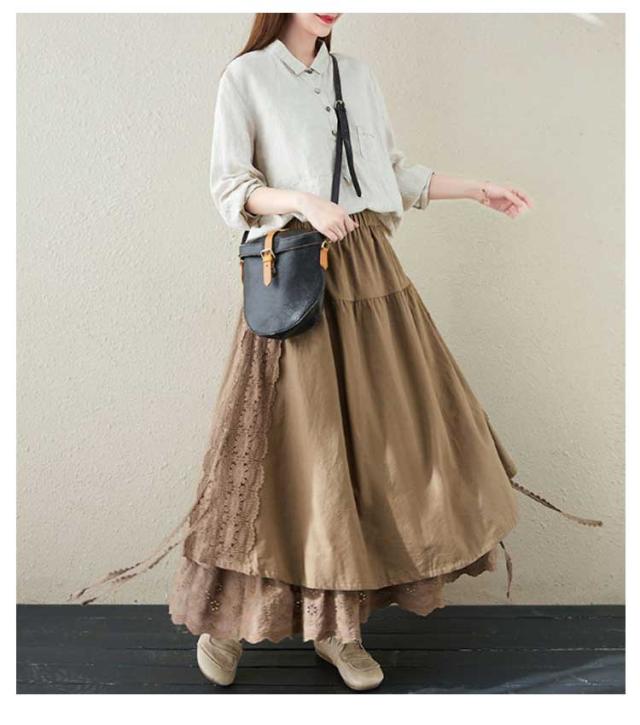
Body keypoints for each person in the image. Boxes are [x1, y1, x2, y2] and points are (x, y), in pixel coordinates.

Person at [70, 12, 602, 692]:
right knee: (284, 455)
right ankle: (226, 621)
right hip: (298, 276)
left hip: (372, 272)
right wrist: (304, 202)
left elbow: (390, 172)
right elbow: (232, 188)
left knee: (372, 454)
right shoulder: (247, 77)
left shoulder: (356, 76)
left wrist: (477, 189)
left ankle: (338, 628)